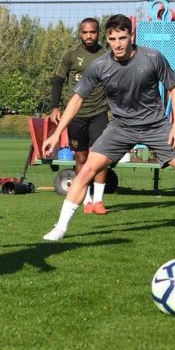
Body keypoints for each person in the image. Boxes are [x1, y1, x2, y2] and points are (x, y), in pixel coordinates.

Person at [41, 14, 175, 241]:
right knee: (85, 172)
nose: (118, 44)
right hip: (120, 127)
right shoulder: (99, 66)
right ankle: (60, 228)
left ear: (132, 36)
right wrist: (56, 133)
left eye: (122, 37)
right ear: (108, 39)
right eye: (112, 39)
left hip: (156, 126)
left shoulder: (152, 57)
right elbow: (76, 100)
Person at [49, 18, 110, 214]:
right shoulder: (71, 55)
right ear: (80, 34)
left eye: (92, 32)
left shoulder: (107, 55)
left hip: (99, 112)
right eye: (85, 32)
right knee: (81, 157)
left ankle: (98, 201)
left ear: (98, 33)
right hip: (75, 115)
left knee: (101, 157)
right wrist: (54, 108)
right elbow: (57, 81)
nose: (89, 35)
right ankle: (86, 199)